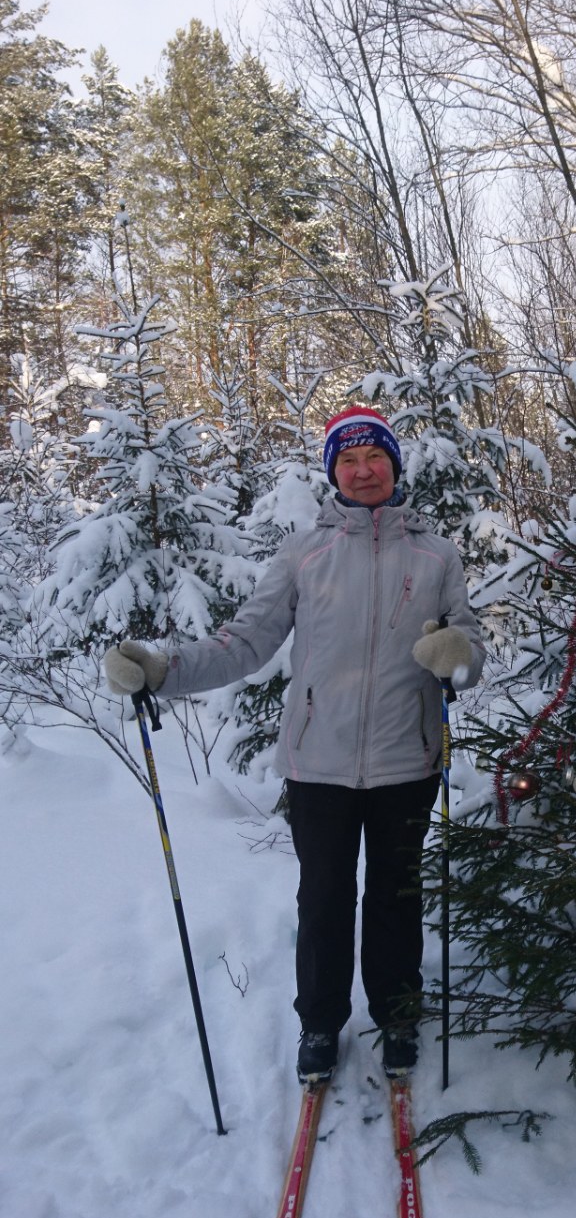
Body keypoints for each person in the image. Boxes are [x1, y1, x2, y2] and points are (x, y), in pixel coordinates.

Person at [103, 404, 485, 1084]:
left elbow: (465, 647)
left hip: (408, 759)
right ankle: (319, 1023)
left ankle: (397, 1014)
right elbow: (244, 642)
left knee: (396, 895)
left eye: (374, 457)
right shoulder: (304, 553)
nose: (362, 469)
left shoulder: (436, 554)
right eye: (347, 459)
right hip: (319, 764)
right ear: (332, 471)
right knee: (325, 896)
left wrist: (457, 653)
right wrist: (164, 671)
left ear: (394, 465)